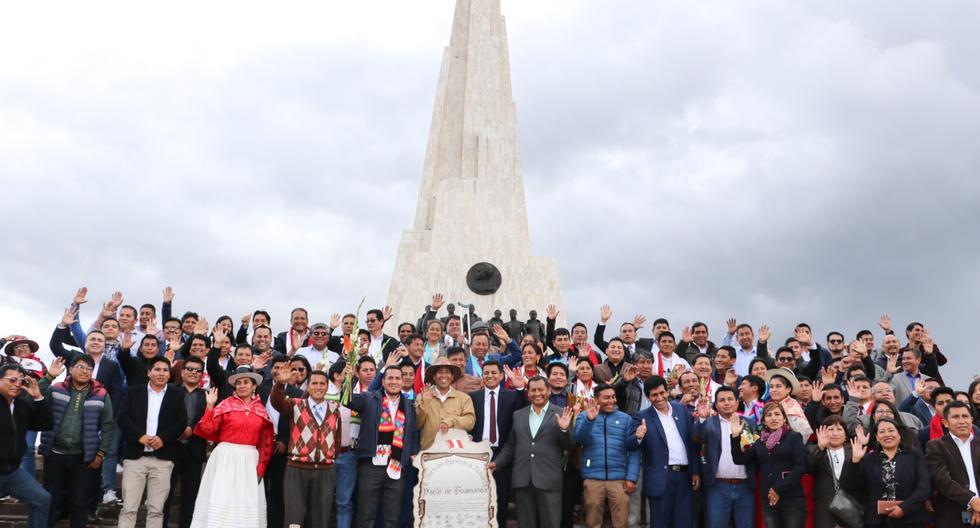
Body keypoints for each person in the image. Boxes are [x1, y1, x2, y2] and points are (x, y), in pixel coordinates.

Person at [192, 366, 274, 528]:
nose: (242, 386)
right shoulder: (225, 405)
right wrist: (210, 406)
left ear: (254, 386)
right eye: (238, 383)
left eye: (246, 382)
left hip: (250, 460)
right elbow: (208, 428)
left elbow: (266, 443)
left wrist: (261, 467)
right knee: (221, 497)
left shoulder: (260, 411)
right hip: (225, 458)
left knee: (246, 500)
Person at [37, 356, 113, 528]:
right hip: (55, 454)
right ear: (71, 369)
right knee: (50, 501)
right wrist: (49, 376)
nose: (84, 371)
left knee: (80, 503)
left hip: (83, 458)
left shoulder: (101, 394)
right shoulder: (56, 388)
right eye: (80, 366)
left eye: (89, 368)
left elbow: (108, 425)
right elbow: (36, 398)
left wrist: (101, 453)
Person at [491, 376, 575, 528]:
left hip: (549, 480)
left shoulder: (561, 413)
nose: (537, 393)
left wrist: (564, 429)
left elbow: (570, 446)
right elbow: (511, 445)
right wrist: (496, 463)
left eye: (541, 389)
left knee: (551, 524)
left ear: (548, 391)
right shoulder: (518, 415)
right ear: (528, 394)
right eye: (533, 390)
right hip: (523, 479)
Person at [343, 366, 419, 528]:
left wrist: (412, 453)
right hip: (371, 467)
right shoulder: (370, 398)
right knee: (366, 517)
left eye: (397, 378)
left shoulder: (409, 405)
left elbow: (413, 433)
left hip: (397, 466)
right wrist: (348, 379)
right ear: (383, 381)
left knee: (392, 519)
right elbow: (347, 400)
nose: (394, 382)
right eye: (390, 378)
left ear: (402, 381)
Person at [116, 356, 186, 528]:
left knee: (156, 510)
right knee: (129, 508)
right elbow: (122, 418)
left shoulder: (176, 394)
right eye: (157, 369)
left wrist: (164, 438)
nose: (161, 373)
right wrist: (139, 436)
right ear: (149, 372)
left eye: (165, 370)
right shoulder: (134, 392)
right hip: (135, 458)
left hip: (163, 459)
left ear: (169, 375)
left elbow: (181, 422)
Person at [271, 363, 342, 528]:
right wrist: (281, 384)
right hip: (297, 469)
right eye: (314, 383)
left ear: (327, 387)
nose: (318, 387)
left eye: (322, 383)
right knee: (294, 519)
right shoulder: (295, 404)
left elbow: (336, 441)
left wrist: (328, 458)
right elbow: (277, 402)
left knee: (321, 519)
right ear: (308, 387)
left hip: (324, 472)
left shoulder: (335, 410)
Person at [630, 375, 701, 528]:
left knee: (684, 522)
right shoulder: (642, 416)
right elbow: (629, 444)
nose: (659, 398)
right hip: (660, 478)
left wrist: (695, 471)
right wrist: (638, 437)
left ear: (668, 392)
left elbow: (692, 443)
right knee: (660, 523)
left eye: (662, 393)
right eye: (654, 395)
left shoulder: (681, 409)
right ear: (648, 397)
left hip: (684, 476)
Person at [841, 417, 931, 527]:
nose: (887, 434)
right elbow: (850, 486)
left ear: (899, 435)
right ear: (877, 437)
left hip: (911, 519)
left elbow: (924, 487)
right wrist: (855, 461)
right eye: (882, 432)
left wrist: (903, 508)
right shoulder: (869, 459)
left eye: (891, 430)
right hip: (877, 521)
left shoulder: (914, 455)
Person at [730, 401, 806, 528]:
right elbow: (739, 459)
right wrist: (735, 436)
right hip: (769, 500)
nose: (774, 418)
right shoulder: (760, 442)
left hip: (791, 499)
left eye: (777, 414)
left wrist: (778, 489)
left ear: (784, 418)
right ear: (764, 421)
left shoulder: (794, 437)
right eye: (769, 415)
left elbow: (800, 468)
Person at [575, 384, 640, 528]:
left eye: (613, 397)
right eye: (606, 398)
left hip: (619, 480)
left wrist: (631, 477)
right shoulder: (584, 416)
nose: (611, 401)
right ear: (596, 399)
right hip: (593, 478)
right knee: (592, 523)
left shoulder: (626, 419)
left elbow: (634, 450)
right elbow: (580, 439)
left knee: (622, 523)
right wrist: (590, 420)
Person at [469, 359, 524, 528]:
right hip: (478, 454)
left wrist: (521, 388)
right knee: (478, 499)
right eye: (486, 373)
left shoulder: (512, 396)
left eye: (494, 373)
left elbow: (524, 412)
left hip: (504, 455)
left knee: (501, 500)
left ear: (501, 376)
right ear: (482, 376)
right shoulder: (473, 397)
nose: (490, 376)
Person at [692, 385, 756, 528]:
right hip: (718, 486)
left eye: (730, 399)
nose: (726, 403)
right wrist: (702, 418)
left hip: (745, 486)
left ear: (737, 402)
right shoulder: (708, 424)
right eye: (722, 400)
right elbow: (696, 439)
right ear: (716, 404)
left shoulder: (749, 423)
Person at [0, 363, 52, 528]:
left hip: (12, 471)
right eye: (12, 379)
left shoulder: (22, 406)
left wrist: (38, 397)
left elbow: (46, 424)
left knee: (42, 499)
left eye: (21, 381)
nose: (17, 384)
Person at [163, 355, 208, 528]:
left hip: (194, 451)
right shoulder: (169, 391)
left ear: (202, 375)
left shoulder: (207, 396)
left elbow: (208, 420)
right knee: (164, 496)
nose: (193, 373)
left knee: (190, 498)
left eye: (197, 370)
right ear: (182, 372)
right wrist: (177, 431)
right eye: (189, 369)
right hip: (170, 449)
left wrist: (192, 429)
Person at [925, 401, 980, 526]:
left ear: (971, 420)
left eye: (965, 416)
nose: (961, 421)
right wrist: (972, 500)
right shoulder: (936, 446)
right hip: (953, 515)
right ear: (945, 422)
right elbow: (943, 481)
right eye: (955, 417)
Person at [414, 357, 476, 450]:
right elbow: (416, 425)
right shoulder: (422, 396)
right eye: (440, 372)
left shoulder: (464, 398)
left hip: (455, 453)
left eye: (447, 372)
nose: (444, 376)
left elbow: (470, 422)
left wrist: (451, 421)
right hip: (428, 452)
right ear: (434, 377)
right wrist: (425, 404)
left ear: (452, 376)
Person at [806, 416, 853, 528]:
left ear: (845, 434)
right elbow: (808, 468)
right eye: (830, 429)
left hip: (850, 505)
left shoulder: (854, 450)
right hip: (824, 505)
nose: (835, 433)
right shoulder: (813, 450)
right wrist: (821, 447)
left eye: (839, 429)